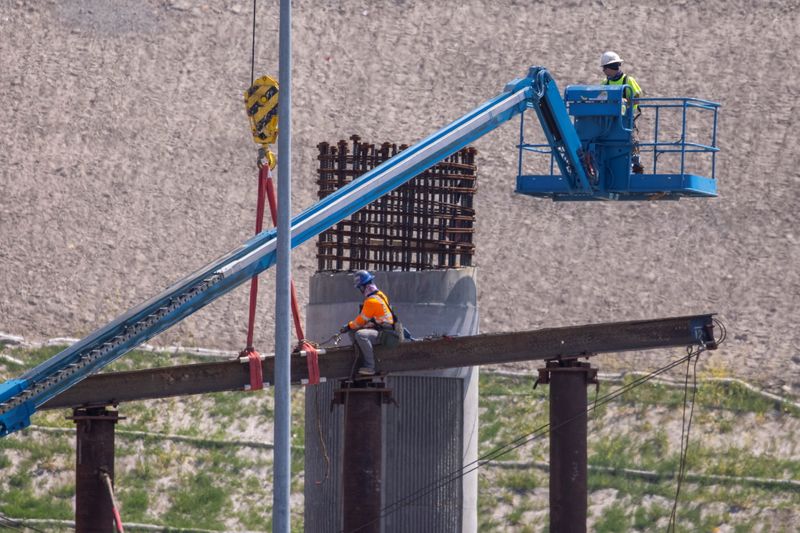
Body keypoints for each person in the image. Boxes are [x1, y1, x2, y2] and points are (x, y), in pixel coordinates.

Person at [339, 270, 395, 376]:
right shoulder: (380, 295)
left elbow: (360, 321)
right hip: (384, 328)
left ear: (363, 287)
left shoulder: (371, 301)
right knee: (355, 332)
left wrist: (348, 326)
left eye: (360, 287)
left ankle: (369, 366)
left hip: (384, 333)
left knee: (360, 335)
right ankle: (360, 358)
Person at [600, 51, 645, 174]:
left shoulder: (628, 80)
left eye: (604, 68)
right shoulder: (605, 83)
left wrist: (626, 103)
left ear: (611, 67)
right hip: (610, 120)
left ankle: (636, 164)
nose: (603, 71)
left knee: (633, 139)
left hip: (626, 119)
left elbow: (638, 95)